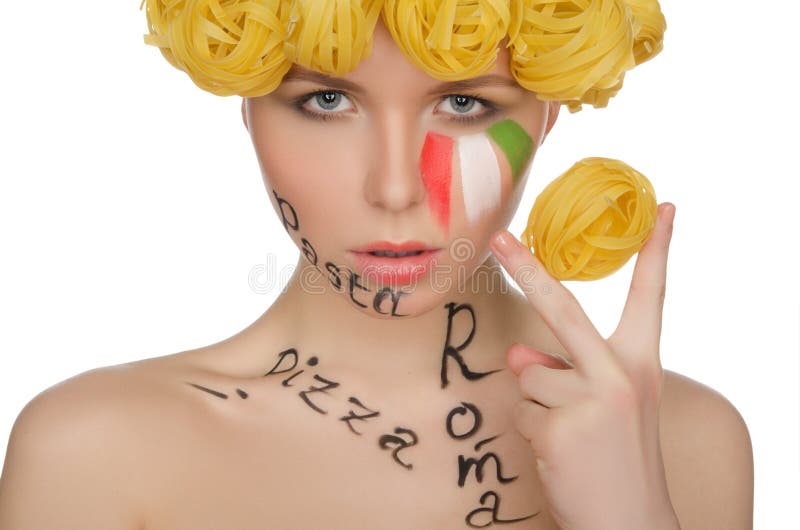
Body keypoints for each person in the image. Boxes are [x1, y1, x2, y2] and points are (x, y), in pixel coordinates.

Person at [0, 1, 753, 528]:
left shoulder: (685, 444)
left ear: (548, 112)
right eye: (327, 99)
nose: (393, 188)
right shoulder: (92, 452)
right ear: (248, 110)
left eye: (463, 104)